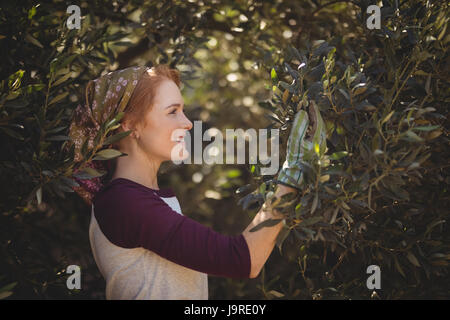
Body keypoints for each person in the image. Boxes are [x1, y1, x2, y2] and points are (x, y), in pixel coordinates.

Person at [67, 64, 326, 300]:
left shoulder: (142, 197)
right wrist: (292, 176)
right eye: (173, 112)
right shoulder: (124, 202)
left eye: (183, 110)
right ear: (130, 125)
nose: (187, 123)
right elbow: (244, 259)